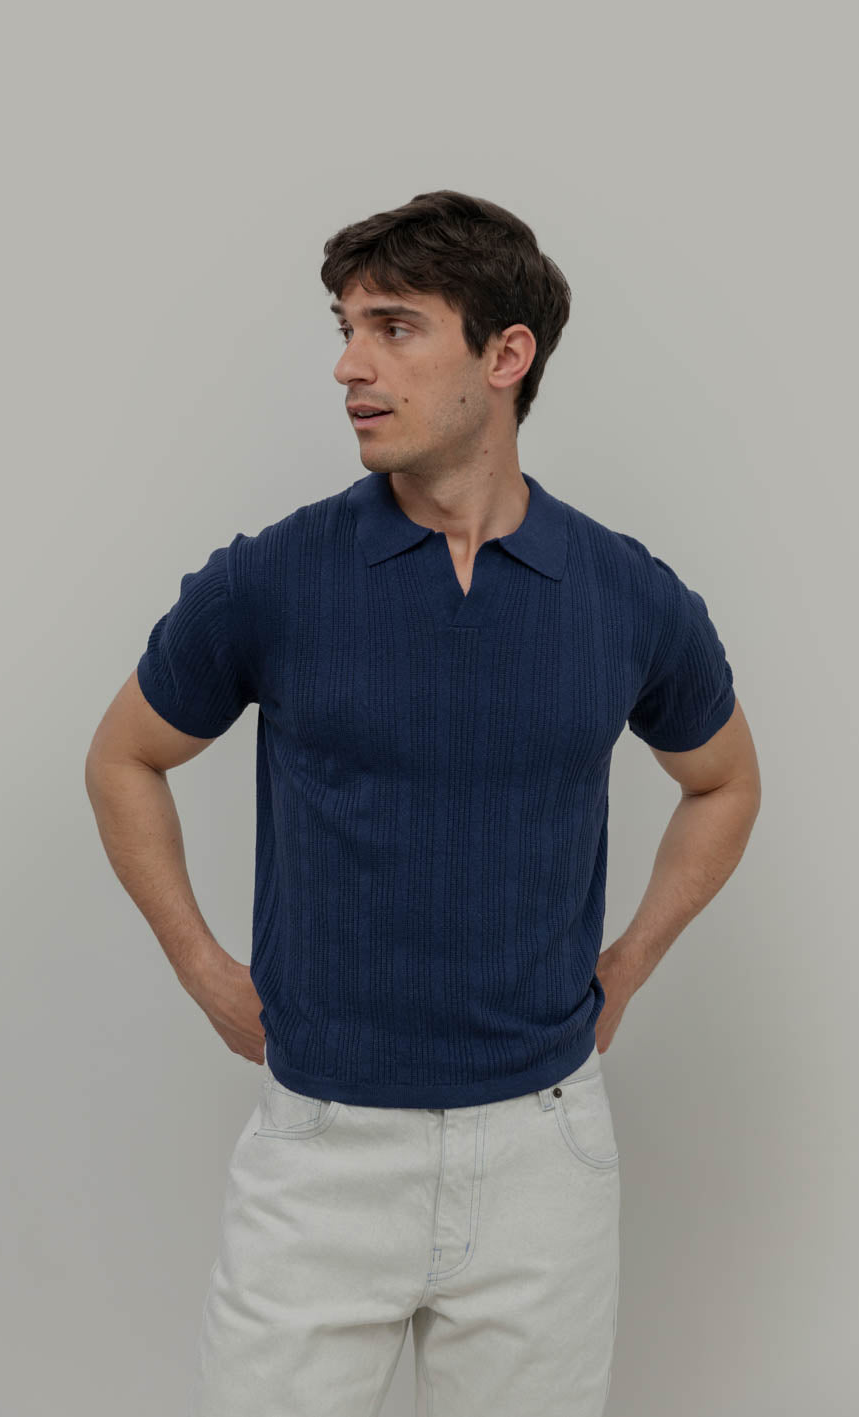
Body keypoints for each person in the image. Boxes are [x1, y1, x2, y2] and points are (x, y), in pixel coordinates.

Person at [85, 189, 761, 1417]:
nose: (350, 366)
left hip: (544, 1153)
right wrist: (201, 964)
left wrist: (631, 961)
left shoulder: (625, 594)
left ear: (507, 356)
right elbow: (123, 756)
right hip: (322, 1150)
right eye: (345, 329)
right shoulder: (274, 578)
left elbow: (723, 780)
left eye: (394, 328)